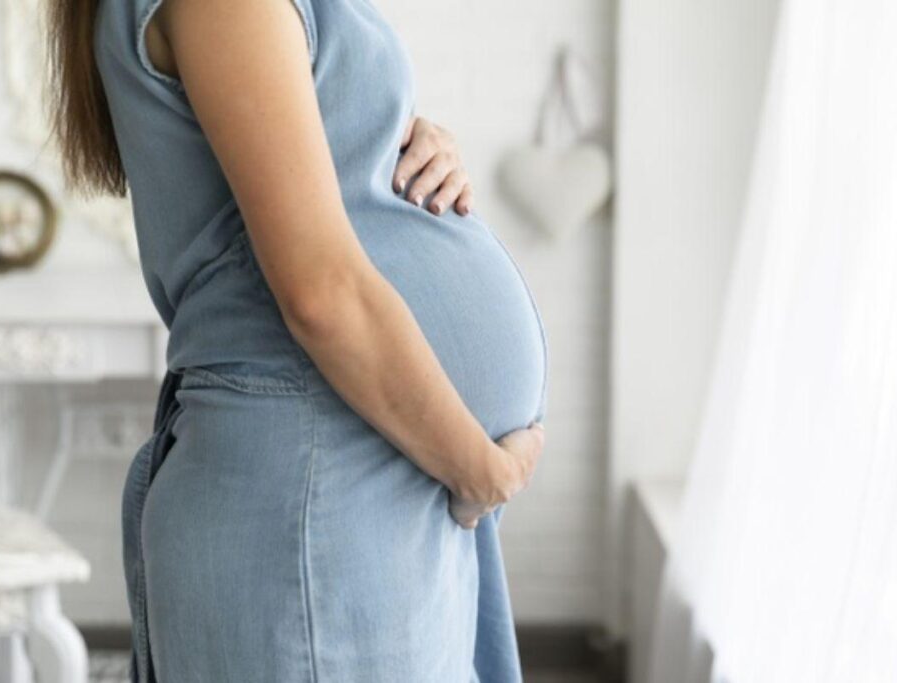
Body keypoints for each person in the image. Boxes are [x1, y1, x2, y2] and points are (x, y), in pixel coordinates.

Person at [46, 0, 548, 679]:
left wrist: (399, 146)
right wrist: (478, 470)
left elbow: (314, 172)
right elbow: (319, 294)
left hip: (363, 472)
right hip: (318, 491)